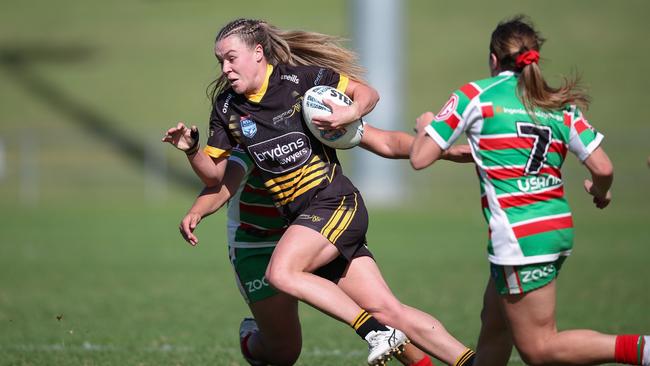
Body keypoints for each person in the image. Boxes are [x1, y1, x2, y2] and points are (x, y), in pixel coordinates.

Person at [163, 18, 477, 366]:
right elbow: (217, 177)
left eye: (231, 58)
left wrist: (355, 112)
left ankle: (375, 332)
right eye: (220, 61)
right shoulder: (229, 110)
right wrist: (191, 150)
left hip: (332, 206)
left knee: (281, 273)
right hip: (293, 228)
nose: (225, 68)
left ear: (257, 52)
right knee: (387, 310)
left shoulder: (305, 89)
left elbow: (378, 127)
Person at [410, 15, 649, 366]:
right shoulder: (557, 103)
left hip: (519, 236)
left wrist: (425, 127)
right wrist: (601, 192)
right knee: (494, 328)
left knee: (538, 348)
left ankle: (643, 350)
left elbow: (420, 158)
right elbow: (603, 168)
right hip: (556, 227)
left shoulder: (475, 96)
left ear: (494, 59)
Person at [175, 125, 469, 366]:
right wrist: (198, 210)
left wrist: (441, 151)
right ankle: (252, 341)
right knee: (284, 353)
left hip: (314, 228)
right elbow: (224, 183)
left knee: (385, 311)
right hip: (257, 245)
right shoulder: (252, 133)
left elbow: (383, 139)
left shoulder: (310, 111)